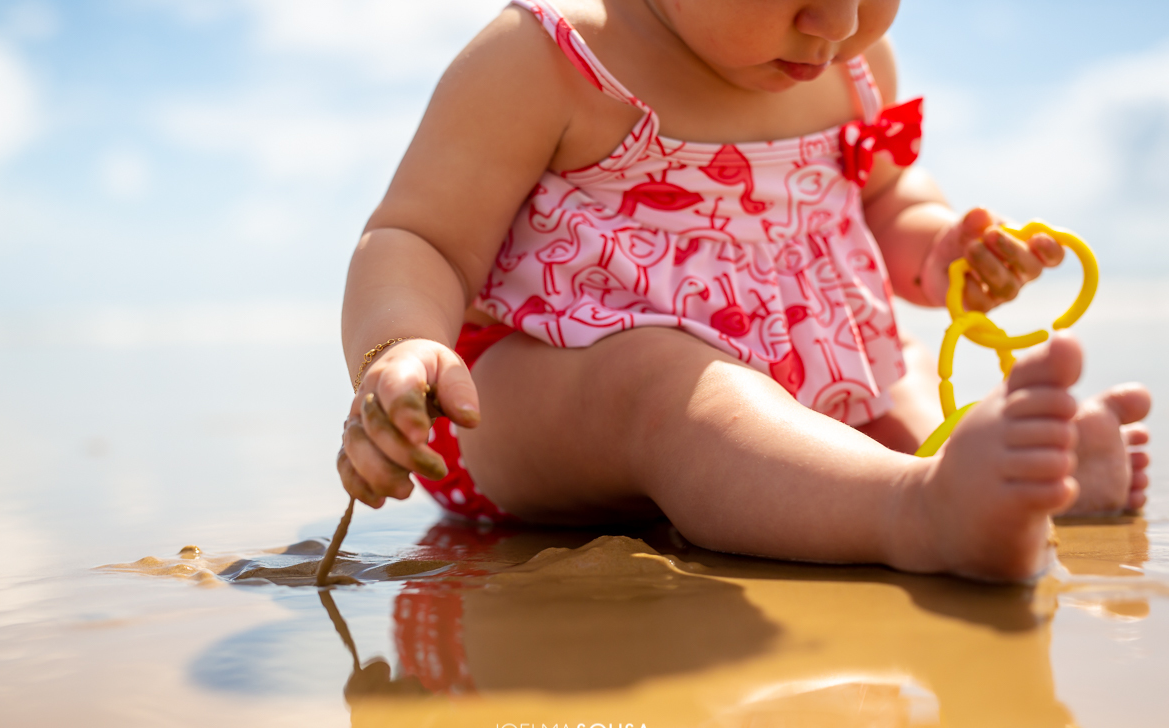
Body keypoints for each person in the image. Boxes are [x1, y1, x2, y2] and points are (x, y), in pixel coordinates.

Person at [336, 0, 1151, 581]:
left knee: (882, 423)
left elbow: (885, 199)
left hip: (784, 389)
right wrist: (402, 344)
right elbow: (422, 236)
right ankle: (917, 512)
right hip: (528, 403)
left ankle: (1009, 486)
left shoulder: (854, 67)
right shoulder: (552, 57)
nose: (836, 22)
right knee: (666, 380)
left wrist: (941, 248)